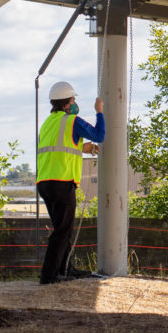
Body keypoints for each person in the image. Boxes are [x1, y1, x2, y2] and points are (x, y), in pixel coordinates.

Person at [36, 81, 104, 285]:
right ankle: (49, 275)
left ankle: (65, 269)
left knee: (61, 227)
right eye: (73, 100)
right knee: (63, 230)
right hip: (61, 181)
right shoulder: (71, 120)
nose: (75, 103)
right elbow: (99, 135)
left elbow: (59, 146)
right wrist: (99, 112)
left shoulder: (49, 122)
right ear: (67, 104)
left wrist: (82, 148)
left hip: (45, 182)